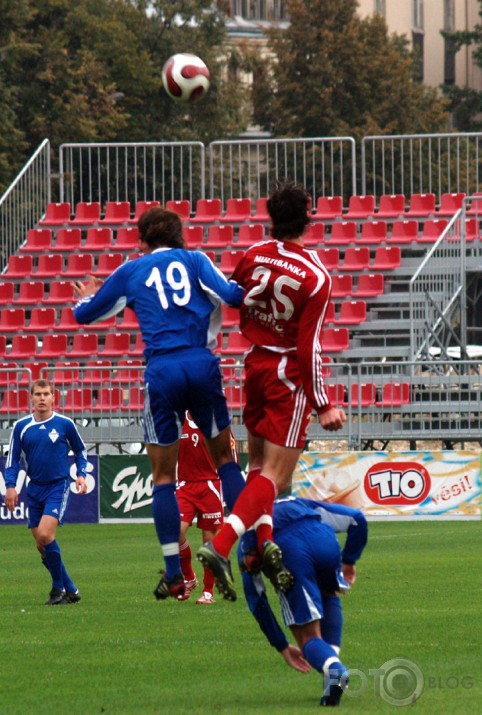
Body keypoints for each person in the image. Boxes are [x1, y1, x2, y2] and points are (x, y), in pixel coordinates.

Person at [72, 206, 246, 601]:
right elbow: (233, 296)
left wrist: (82, 299)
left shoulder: (131, 270)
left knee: (164, 476)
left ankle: (172, 572)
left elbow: (86, 316)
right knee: (226, 461)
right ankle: (247, 546)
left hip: (162, 371)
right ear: (179, 235)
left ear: (142, 240)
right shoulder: (196, 260)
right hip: (201, 365)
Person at [198, 180, 347, 601]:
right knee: (277, 478)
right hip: (286, 375)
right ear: (309, 216)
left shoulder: (252, 255)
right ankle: (222, 543)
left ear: (271, 217)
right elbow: (308, 346)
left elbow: (232, 296)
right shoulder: (316, 275)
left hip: (255, 364)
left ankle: (259, 547)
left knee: (259, 468)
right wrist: (323, 403)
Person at [239, 495, 368, 707]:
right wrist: (349, 561)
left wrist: (281, 645)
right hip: (323, 539)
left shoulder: (249, 531)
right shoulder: (298, 502)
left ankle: (335, 671)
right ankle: (330, 672)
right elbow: (357, 519)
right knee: (328, 593)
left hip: (288, 550)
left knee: (307, 636)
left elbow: (256, 599)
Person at [4, 379, 89, 605]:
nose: (42, 398)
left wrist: (81, 474)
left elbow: (81, 451)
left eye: (46, 394)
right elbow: (12, 459)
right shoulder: (22, 427)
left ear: (54, 397)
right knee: (41, 545)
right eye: (38, 394)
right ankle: (70, 589)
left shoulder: (64, 424)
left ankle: (57, 588)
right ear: (31, 398)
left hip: (57, 487)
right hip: (35, 488)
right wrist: (10, 485)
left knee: (44, 534)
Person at [176, 412, 241, 604]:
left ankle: (207, 591)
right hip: (185, 485)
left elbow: (231, 456)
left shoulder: (217, 422)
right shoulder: (180, 418)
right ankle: (189, 578)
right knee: (176, 532)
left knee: (209, 542)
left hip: (210, 485)